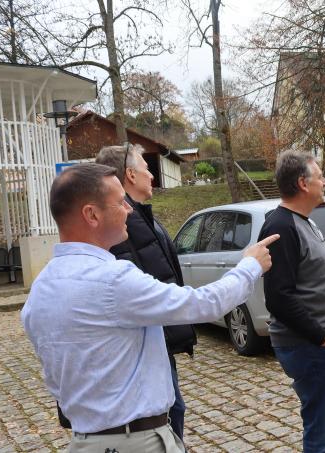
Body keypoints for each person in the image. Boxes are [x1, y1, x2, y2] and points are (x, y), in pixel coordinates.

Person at [21, 163, 279, 453]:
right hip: (135, 442)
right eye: (120, 202)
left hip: (86, 442)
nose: (129, 210)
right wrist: (249, 266)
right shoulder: (112, 279)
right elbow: (201, 304)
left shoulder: (40, 290)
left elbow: (56, 379)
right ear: (92, 214)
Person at [260, 151, 325, 453]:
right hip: (310, 344)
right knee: (324, 432)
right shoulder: (280, 227)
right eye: (320, 177)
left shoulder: (305, 221)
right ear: (303, 183)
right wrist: (322, 339)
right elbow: (278, 297)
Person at [95, 144, 194, 442]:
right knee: (170, 412)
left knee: (175, 409)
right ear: (129, 174)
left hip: (160, 340)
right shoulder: (122, 224)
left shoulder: (143, 216)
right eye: (146, 169)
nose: (151, 175)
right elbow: (134, 290)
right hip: (148, 342)